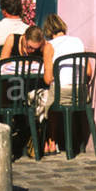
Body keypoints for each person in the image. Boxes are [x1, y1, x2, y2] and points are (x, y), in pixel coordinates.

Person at [37, 13, 86, 154]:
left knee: (45, 99)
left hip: (62, 93)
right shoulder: (78, 41)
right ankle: (57, 140)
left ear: (47, 31)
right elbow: (87, 71)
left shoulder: (50, 46)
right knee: (53, 94)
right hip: (81, 93)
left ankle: (50, 140)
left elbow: (47, 79)